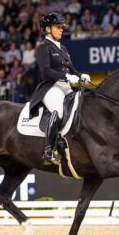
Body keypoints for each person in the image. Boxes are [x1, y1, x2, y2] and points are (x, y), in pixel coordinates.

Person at [29, 12, 90, 165]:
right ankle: (48, 150)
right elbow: (46, 72)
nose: (61, 30)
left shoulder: (63, 48)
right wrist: (66, 77)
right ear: (48, 29)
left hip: (66, 87)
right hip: (51, 87)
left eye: (61, 27)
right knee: (59, 109)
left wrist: (80, 75)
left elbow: (72, 70)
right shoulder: (43, 48)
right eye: (58, 27)